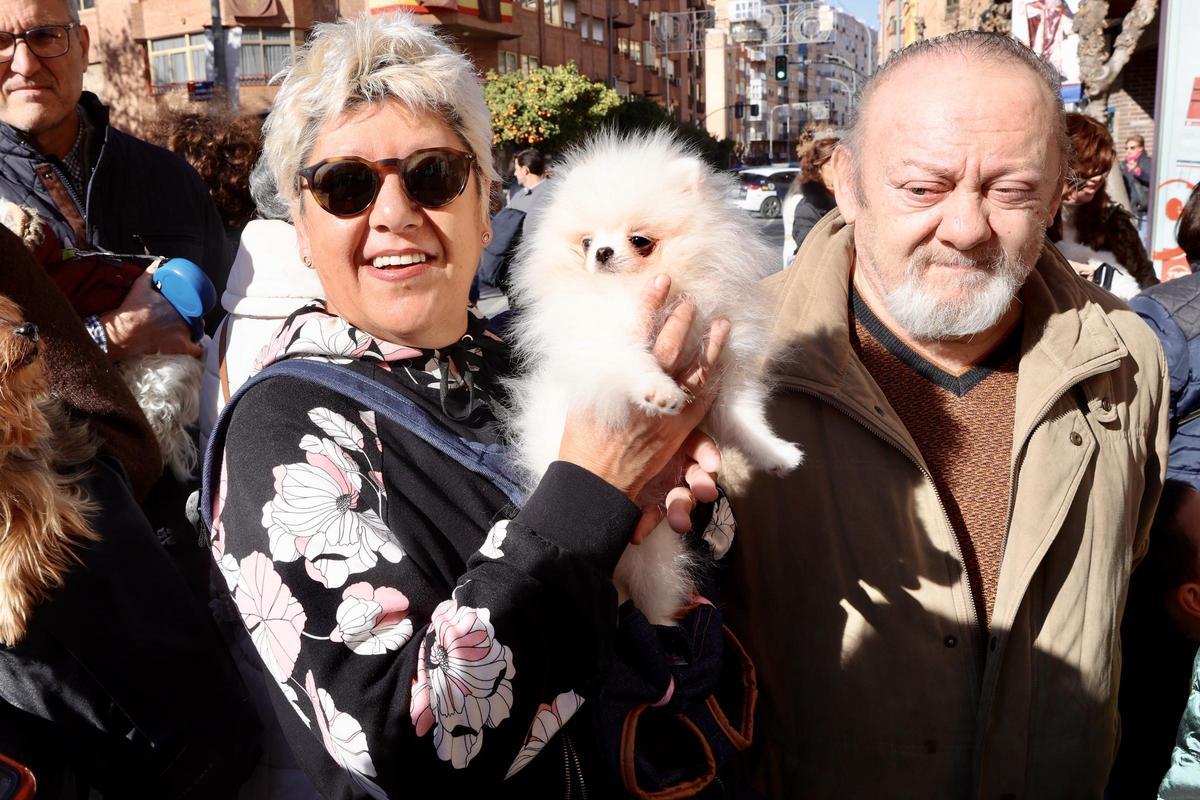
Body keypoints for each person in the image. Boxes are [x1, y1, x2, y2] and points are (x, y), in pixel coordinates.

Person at [209, 14, 751, 797]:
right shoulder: (280, 430)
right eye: (346, 185)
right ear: (300, 226)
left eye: (431, 175)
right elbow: (404, 746)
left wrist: (685, 496)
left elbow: (713, 562)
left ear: (485, 200)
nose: (393, 214)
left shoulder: (526, 342)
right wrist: (593, 488)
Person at [723, 31, 1169, 798]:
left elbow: (1120, 589)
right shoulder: (730, 368)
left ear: (1062, 188)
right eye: (924, 188)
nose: (966, 229)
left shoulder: (1128, 360)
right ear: (848, 181)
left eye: (1011, 191)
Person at [0, 0, 229, 354]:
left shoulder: (171, 178)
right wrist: (109, 337)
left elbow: (232, 329)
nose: (25, 64)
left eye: (45, 36)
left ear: (84, 46)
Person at [1050, 112, 1157, 299]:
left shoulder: (1114, 222)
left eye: (1102, 167)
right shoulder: (1034, 221)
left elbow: (1146, 280)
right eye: (1087, 164)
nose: (1097, 177)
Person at [782, 136, 838, 266]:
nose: (839, 168)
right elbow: (810, 248)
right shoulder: (808, 205)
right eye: (831, 164)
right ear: (818, 168)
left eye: (843, 162)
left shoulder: (855, 197)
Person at [507, 146, 551, 234]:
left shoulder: (551, 193)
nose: (515, 174)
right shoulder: (518, 195)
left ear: (525, 170)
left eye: (516, 169)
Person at [1123, 133, 1153, 238]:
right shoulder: (1124, 164)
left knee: (1141, 240)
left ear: (1141, 148)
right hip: (1128, 209)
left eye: (1132, 147)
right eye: (1126, 148)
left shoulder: (1147, 162)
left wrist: (1138, 172)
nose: (1128, 151)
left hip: (1142, 210)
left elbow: (1152, 180)